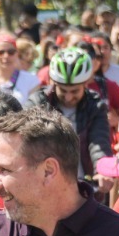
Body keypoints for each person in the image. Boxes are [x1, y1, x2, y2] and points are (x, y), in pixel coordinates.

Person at [23, 46, 113, 179]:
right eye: (63, 91)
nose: (68, 97)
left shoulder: (95, 105)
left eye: (75, 91)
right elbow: (26, 138)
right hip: (46, 179)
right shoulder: (38, 102)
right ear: (54, 84)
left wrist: (102, 171)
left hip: (84, 183)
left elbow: (99, 142)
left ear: (85, 84)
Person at [0, 32, 38, 102]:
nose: (6, 56)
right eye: (0, 52)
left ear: (17, 54)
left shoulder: (31, 80)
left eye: (11, 52)